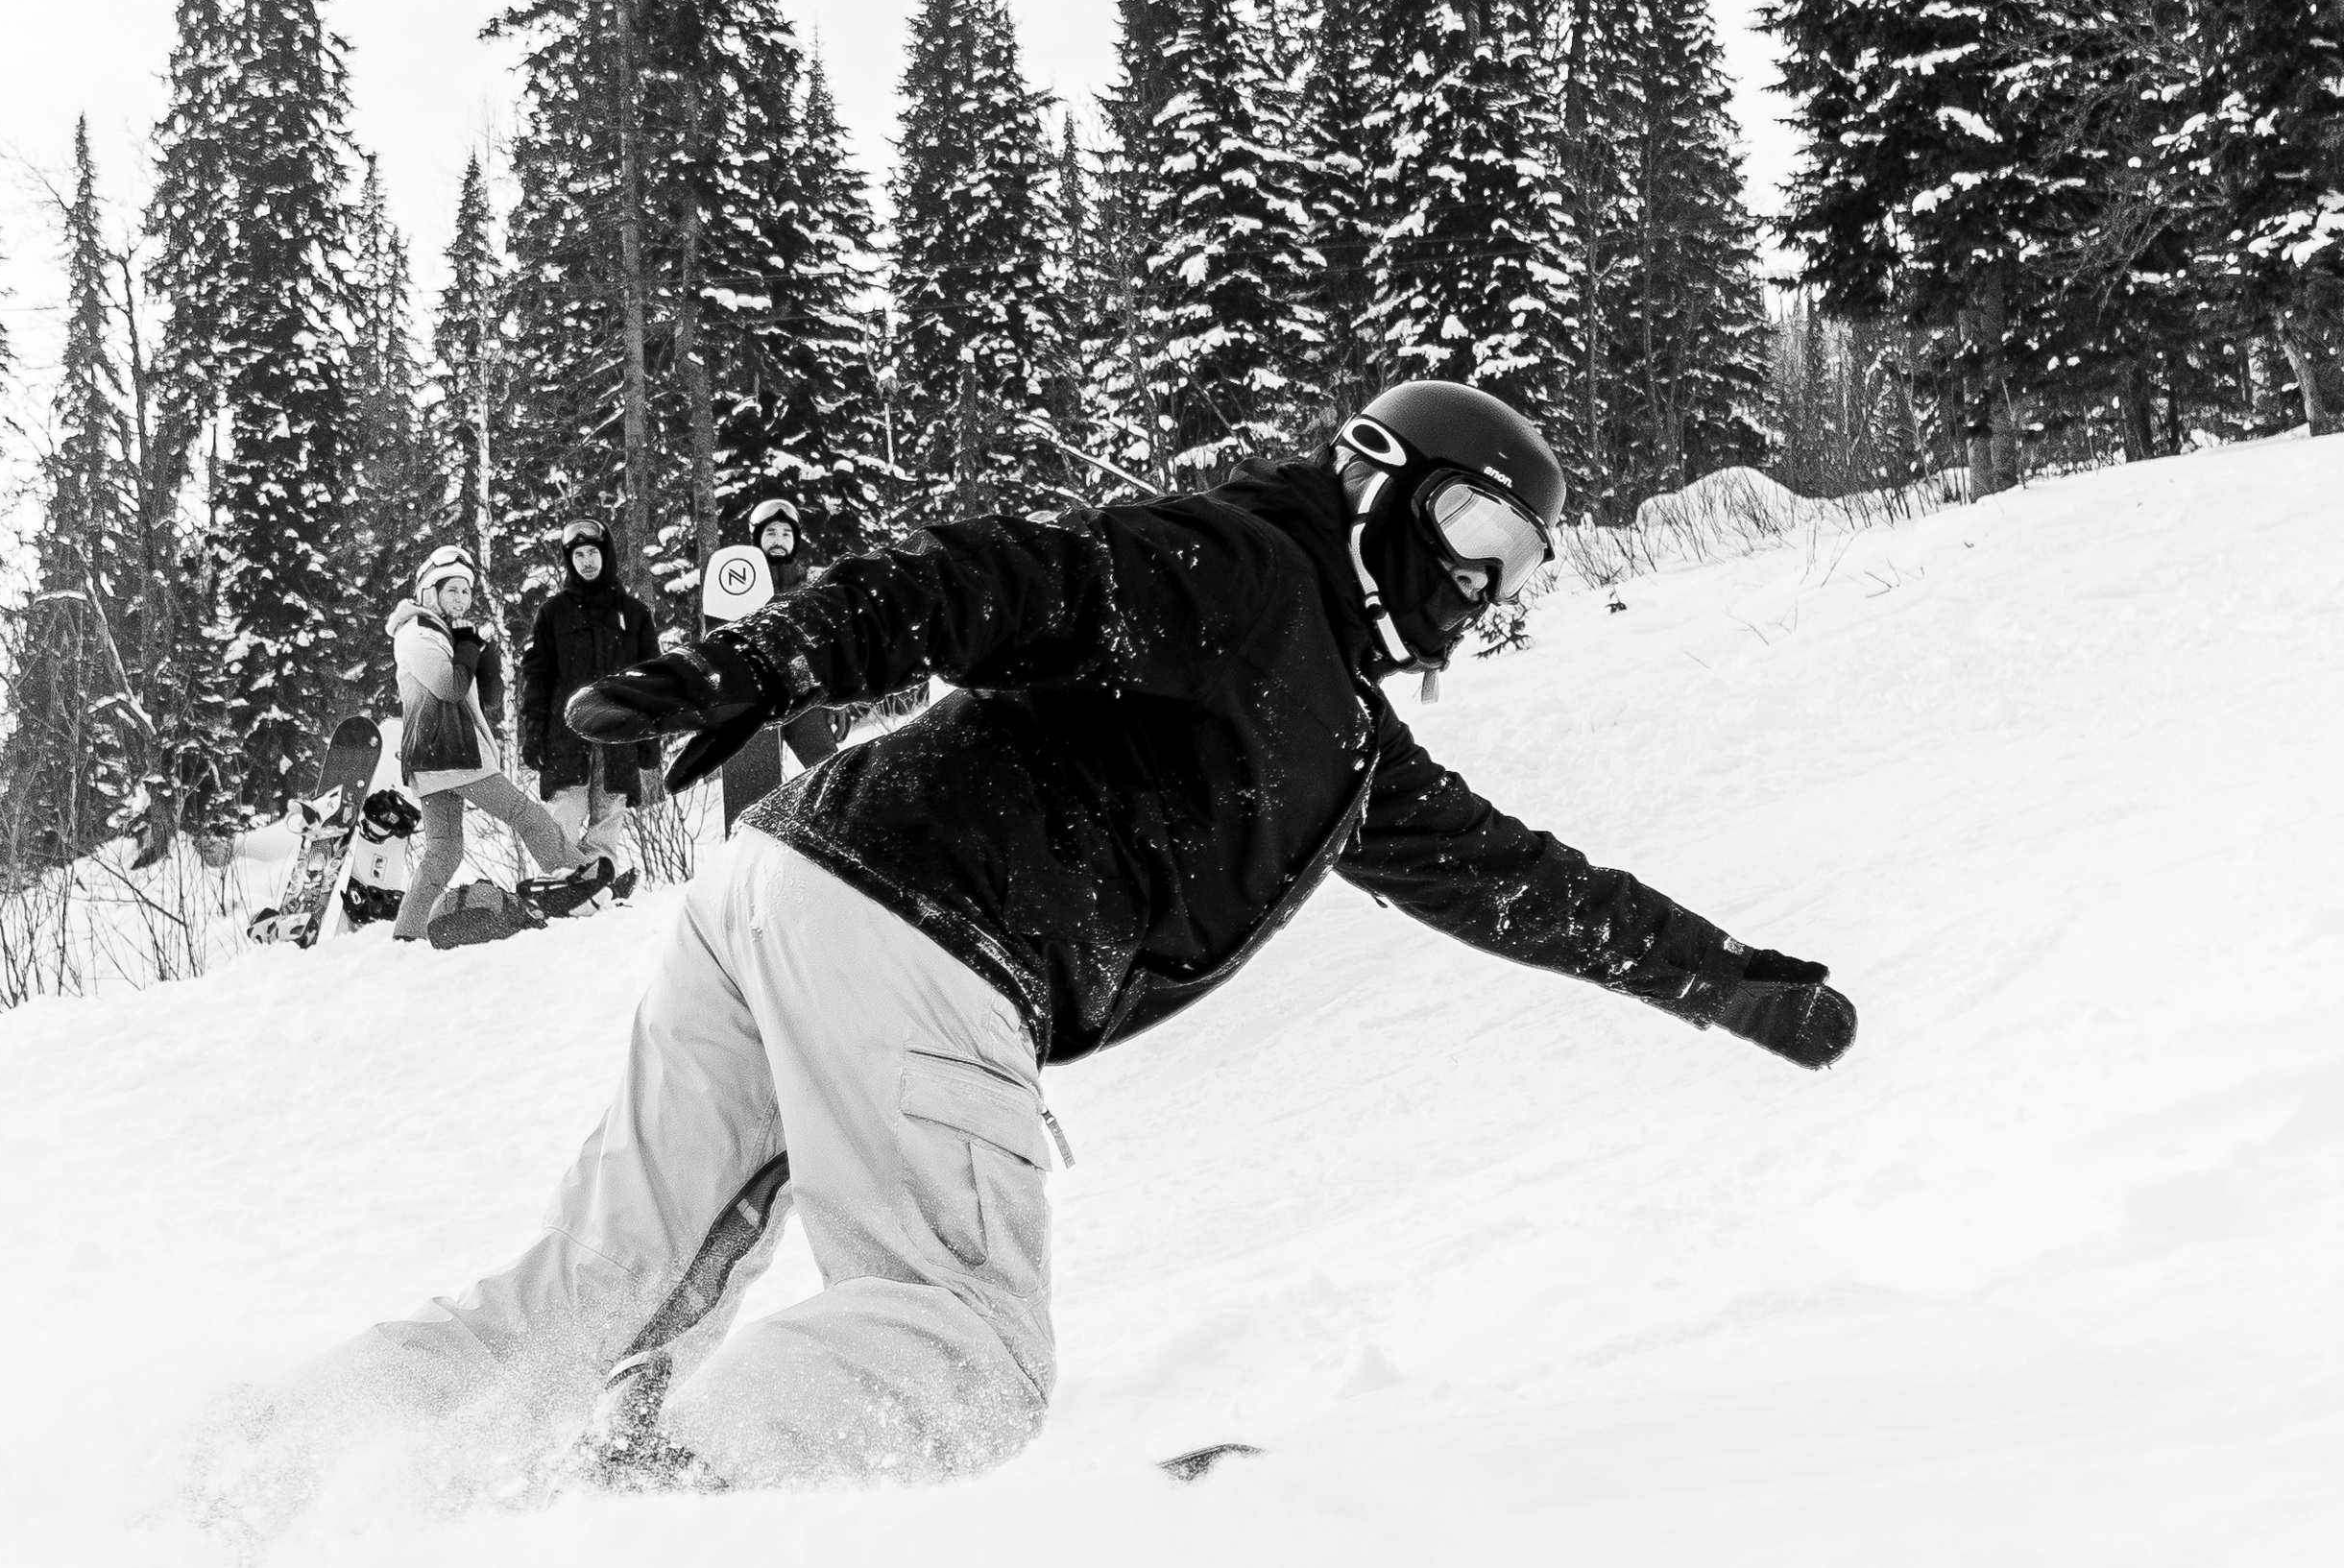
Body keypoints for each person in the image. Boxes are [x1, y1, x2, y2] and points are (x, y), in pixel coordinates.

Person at [305, 379, 1856, 1485]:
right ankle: (654, 1538)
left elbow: (1520, 883)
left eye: (1514, 570)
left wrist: (1717, 979)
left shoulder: (1344, 746)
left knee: (591, 1305)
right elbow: (1004, 583)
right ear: (1378, 480)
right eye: (1469, 525)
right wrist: (772, 662)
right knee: (962, 1347)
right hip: (922, 930)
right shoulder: (1252, 569)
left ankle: (262, 1481)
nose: (1478, 583)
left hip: (782, 895)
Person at [388, 547, 607, 944]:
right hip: (450, 753)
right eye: (451, 590)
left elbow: (486, 698)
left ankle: (408, 934)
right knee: (524, 813)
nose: (460, 599)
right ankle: (579, 879)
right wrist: (469, 651)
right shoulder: (415, 634)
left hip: (437, 758)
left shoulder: (441, 634)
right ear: (428, 592)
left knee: (445, 849)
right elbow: (448, 686)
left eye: (465, 592)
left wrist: (481, 656)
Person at [518, 513, 658, 900]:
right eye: (578, 555)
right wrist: (532, 734)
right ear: (570, 561)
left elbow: (653, 680)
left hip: (619, 734)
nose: (586, 562)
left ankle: (597, 882)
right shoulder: (552, 613)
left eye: (592, 553)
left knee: (608, 812)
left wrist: (652, 736)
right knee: (565, 812)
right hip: (566, 735)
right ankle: (556, 881)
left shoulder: (634, 614)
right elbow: (537, 679)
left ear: (605, 554)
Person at [713, 492, 847, 822]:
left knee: (830, 776)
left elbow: (828, 648)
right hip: (754, 700)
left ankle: (841, 836)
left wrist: (838, 700)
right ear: (757, 538)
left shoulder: (811, 590)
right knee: (752, 799)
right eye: (771, 533)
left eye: (786, 534)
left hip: (803, 695)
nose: (779, 540)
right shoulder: (734, 586)